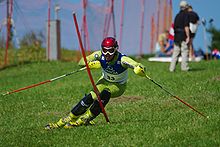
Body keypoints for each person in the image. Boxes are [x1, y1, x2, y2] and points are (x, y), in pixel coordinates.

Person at [45, 37, 146, 130]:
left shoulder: (122, 59)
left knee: (105, 93)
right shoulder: (99, 55)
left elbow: (137, 65)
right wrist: (88, 64)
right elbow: (81, 62)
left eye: (110, 51)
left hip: (118, 86)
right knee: (90, 97)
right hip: (104, 81)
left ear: (116, 49)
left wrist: (139, 69)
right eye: (104, 50)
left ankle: (85, 119)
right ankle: (64, 120)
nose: (107, 54)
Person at [169, 0, 190, 72]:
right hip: (182, 35)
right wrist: (188, 36)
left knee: (175, 52)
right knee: (184, 51)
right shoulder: (186, 15)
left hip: (176, 36)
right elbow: (186, 26)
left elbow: (174, 26)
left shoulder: (177, 15)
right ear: (186, 7)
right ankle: (184, 68)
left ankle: (172, 68)